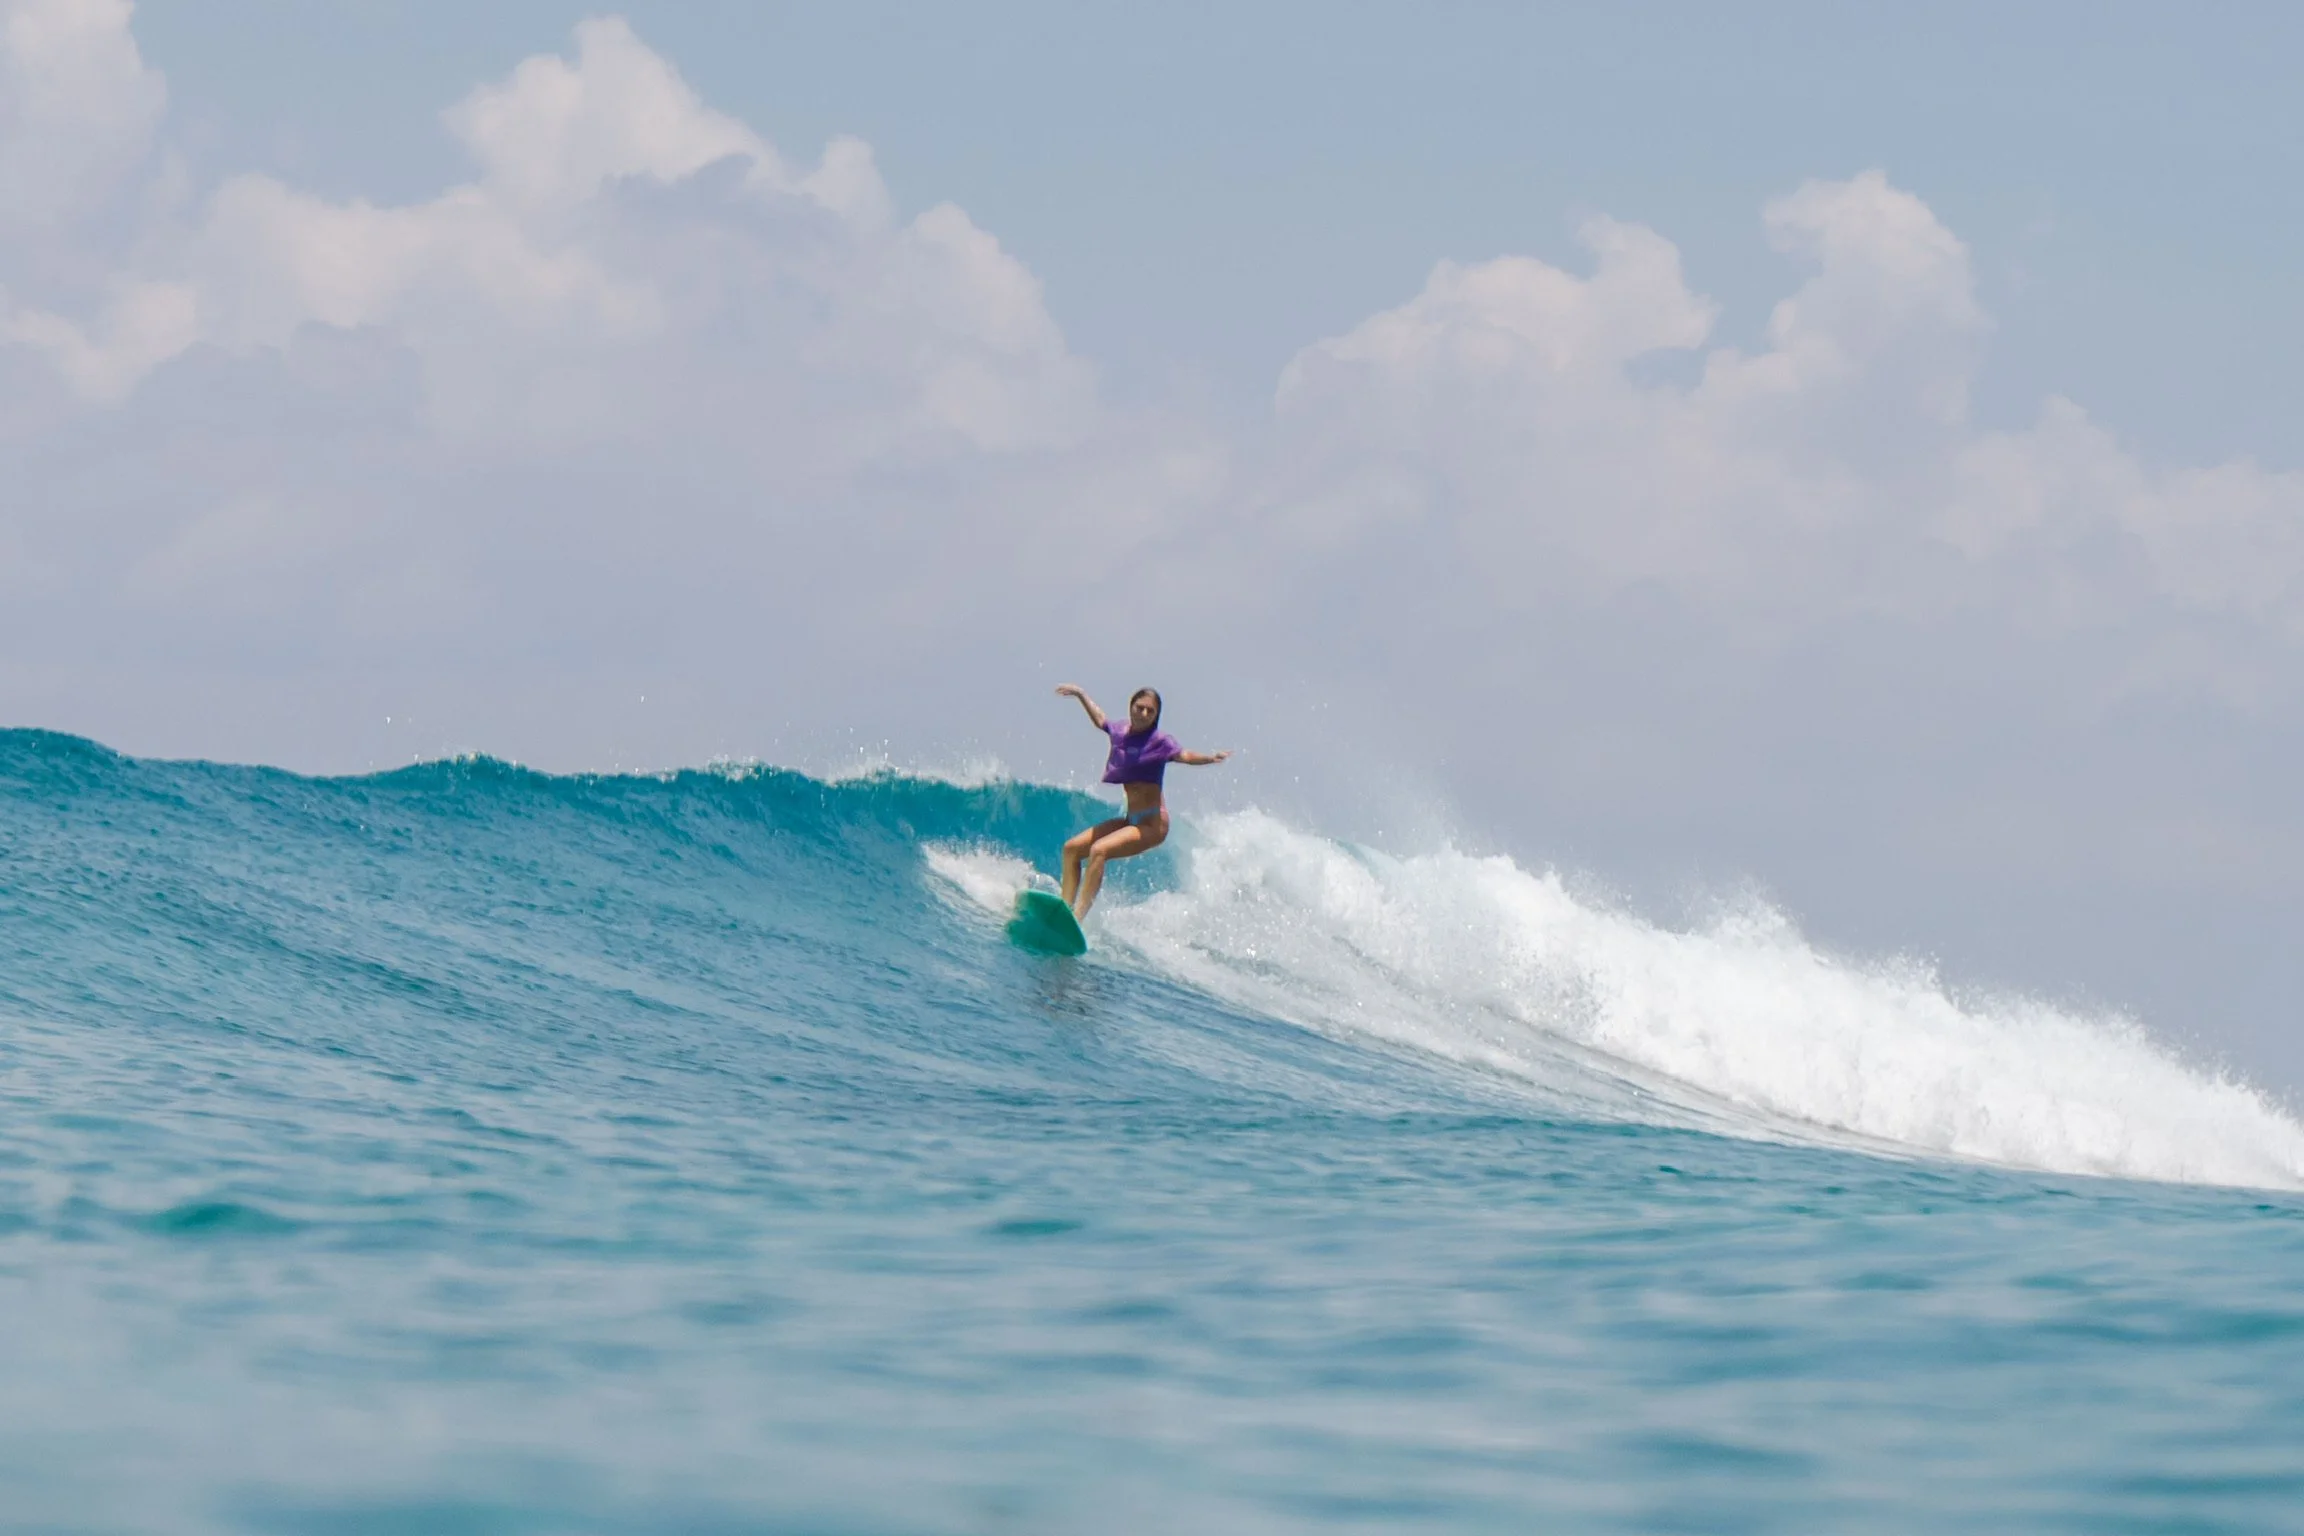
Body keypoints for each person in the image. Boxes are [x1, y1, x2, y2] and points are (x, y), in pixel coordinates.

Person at [1053, 684, 1231, 919]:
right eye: (1140, 708)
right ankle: (1064, 910)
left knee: (1099, 850)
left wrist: (1210, 758)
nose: (1144, 714)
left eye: (1151, 711)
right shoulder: (1119, 732)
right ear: (1131, 706)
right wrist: (1081, 694)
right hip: (1130, 820)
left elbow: (1185, 755)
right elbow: (1101, 720)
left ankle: (1077, 918)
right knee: (1071, 849)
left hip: (1152, 824)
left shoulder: (1160, 742)